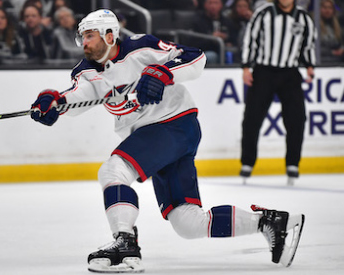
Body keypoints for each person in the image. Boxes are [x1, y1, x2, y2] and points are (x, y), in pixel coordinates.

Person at [29, 9, 305, 273]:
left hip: (175, 124)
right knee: (188, 222)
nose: (84, 43)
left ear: (110, 36)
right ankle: (270, 223)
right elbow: (77, 97)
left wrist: (163, 72)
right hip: (157, 138)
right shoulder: (85, 71)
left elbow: (195, 58)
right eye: (82, 37)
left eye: (89, 35)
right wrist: (55, 103)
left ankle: (125, 241)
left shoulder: (141, 47)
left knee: (113, 171)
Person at [239, 0, 317, 185]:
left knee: (297, 119)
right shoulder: (263, 13)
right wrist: (246, 67)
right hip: (264, 71)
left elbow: (308, 45)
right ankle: (247, 162)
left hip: (290, 73)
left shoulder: (303, 18)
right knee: (252, 117)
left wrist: (310, 66)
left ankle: (293, 164)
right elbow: (250, 39)